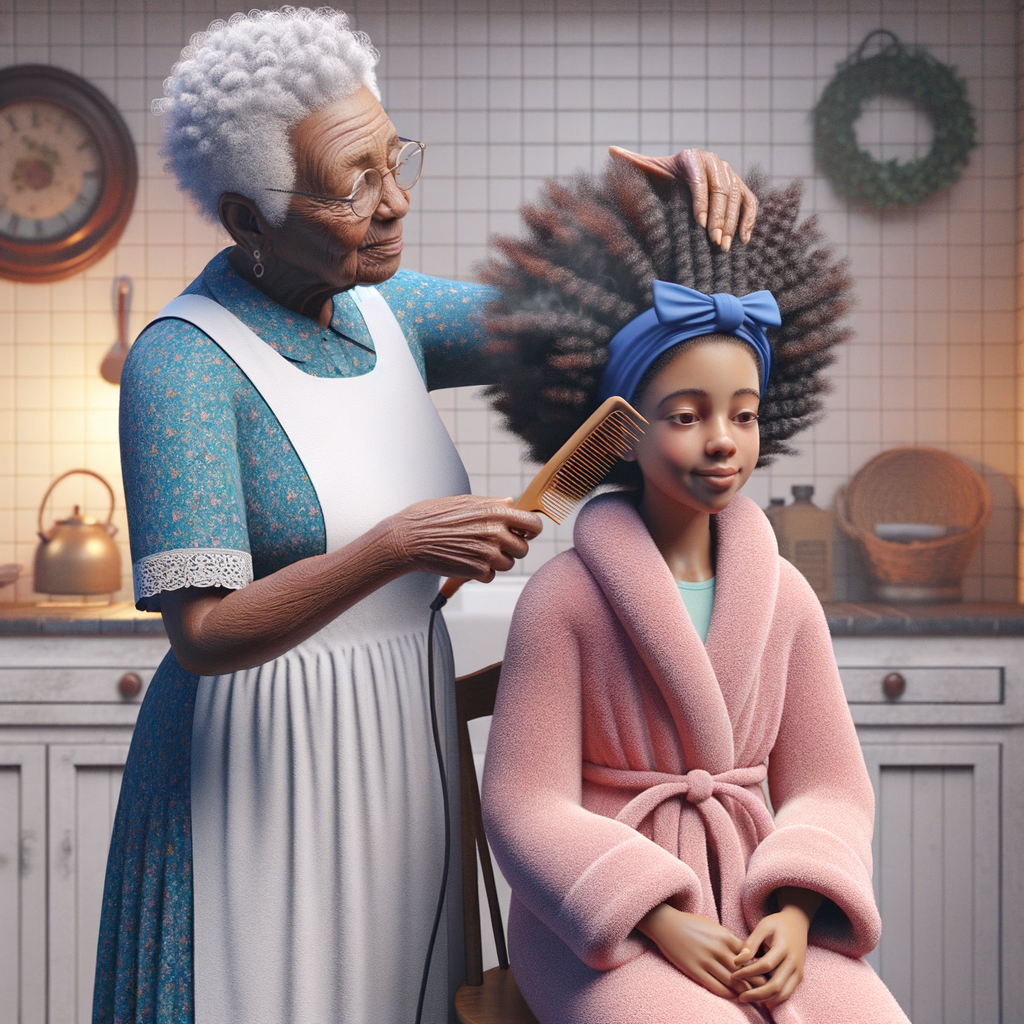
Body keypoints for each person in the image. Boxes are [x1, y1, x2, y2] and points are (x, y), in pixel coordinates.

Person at [93, 8, 760, 1024]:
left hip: (402, 755)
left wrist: (671, 224)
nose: (396, 200)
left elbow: (587, 326)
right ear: (246, 219)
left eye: (392, 156)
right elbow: (205, 634)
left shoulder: (389, 315)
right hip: (250, 776)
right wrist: (395, 545)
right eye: (352, 183)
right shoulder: (181, 363)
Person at [480, 163, 911, 1022]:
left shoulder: (785, 596)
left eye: (742, 414)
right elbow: (524, 803)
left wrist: (795, 910)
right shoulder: (564, 599)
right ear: (621, 429)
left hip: (755, 891)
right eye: (686, 415)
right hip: (598, 915)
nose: (723, 442)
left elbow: (829, 786)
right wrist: (657, 916)